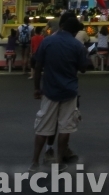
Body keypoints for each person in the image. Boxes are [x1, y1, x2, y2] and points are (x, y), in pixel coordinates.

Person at [30, 12, 92, 170]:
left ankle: (35, 162)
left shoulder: (47, 41)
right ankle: (59, 161)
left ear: (62, 26)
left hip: (50, 90)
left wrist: (37, 88)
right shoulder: (77, 45)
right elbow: (84, 68)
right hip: (69, 91)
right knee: (66, 127)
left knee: (43, 126)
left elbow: (37, 66)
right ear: (75, 32)